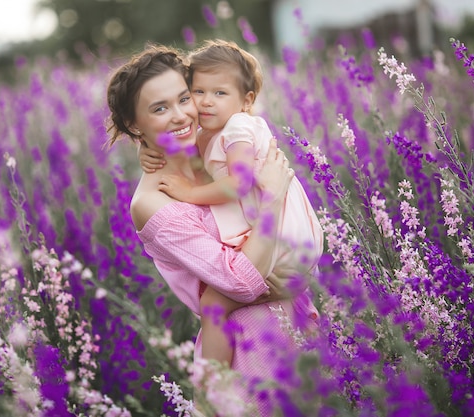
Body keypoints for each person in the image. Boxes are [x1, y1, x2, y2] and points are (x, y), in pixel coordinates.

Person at [105, 43, 317, 416]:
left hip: (297, 324)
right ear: (135, 124)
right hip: (248, 356)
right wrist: (270, 201)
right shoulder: (152, 204)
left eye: (184, 98)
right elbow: (241, 282)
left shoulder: (210, 142)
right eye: (159, 108)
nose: (181, 115)